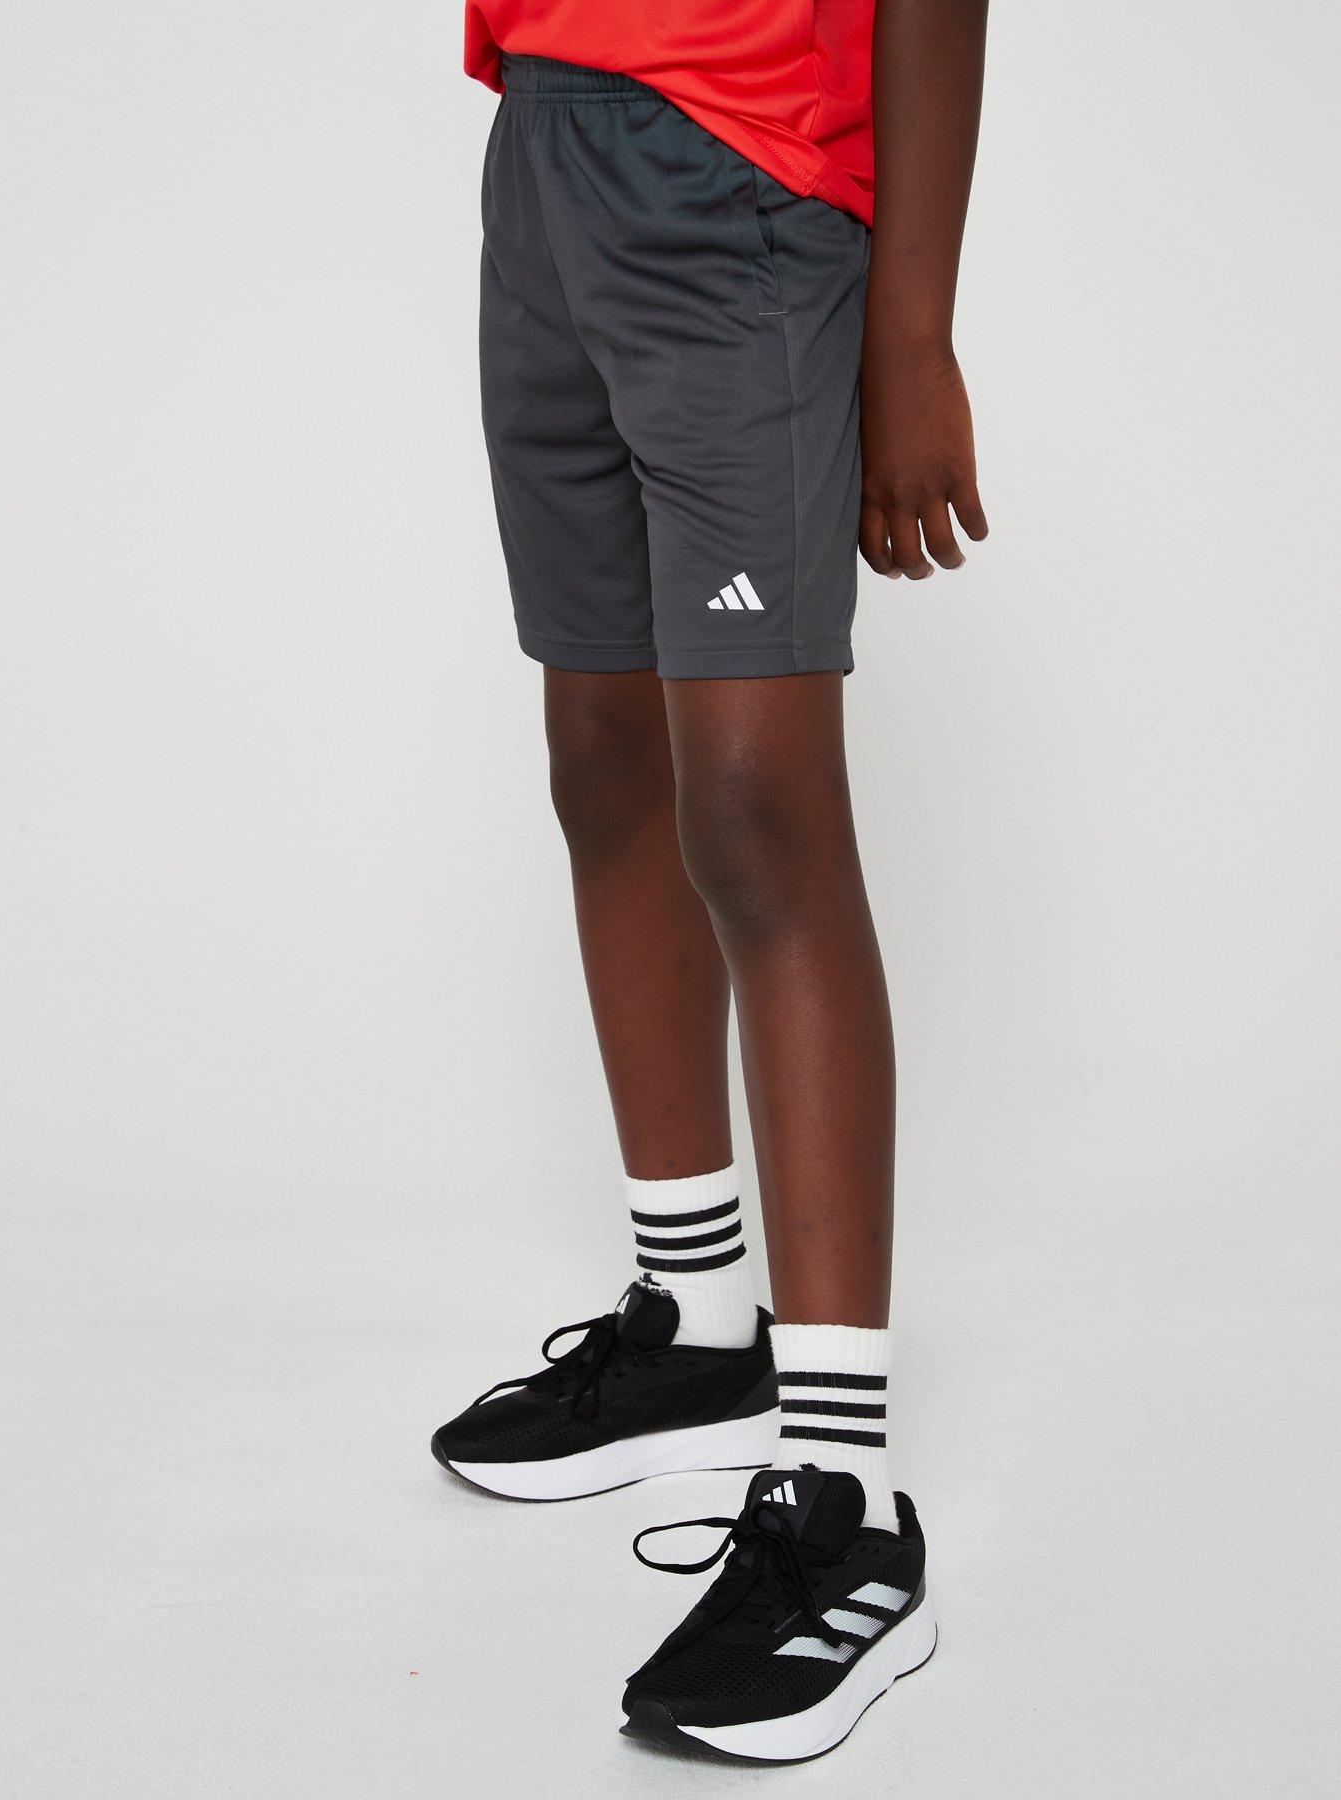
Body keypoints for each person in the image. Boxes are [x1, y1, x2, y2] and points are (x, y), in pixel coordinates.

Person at [432, 0, 989, 1761]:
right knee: (604, 762)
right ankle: (694, 1327)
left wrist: (911, 335)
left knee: (754, 808)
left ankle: (842, 1497)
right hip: (544, 142)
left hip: (743, 176)